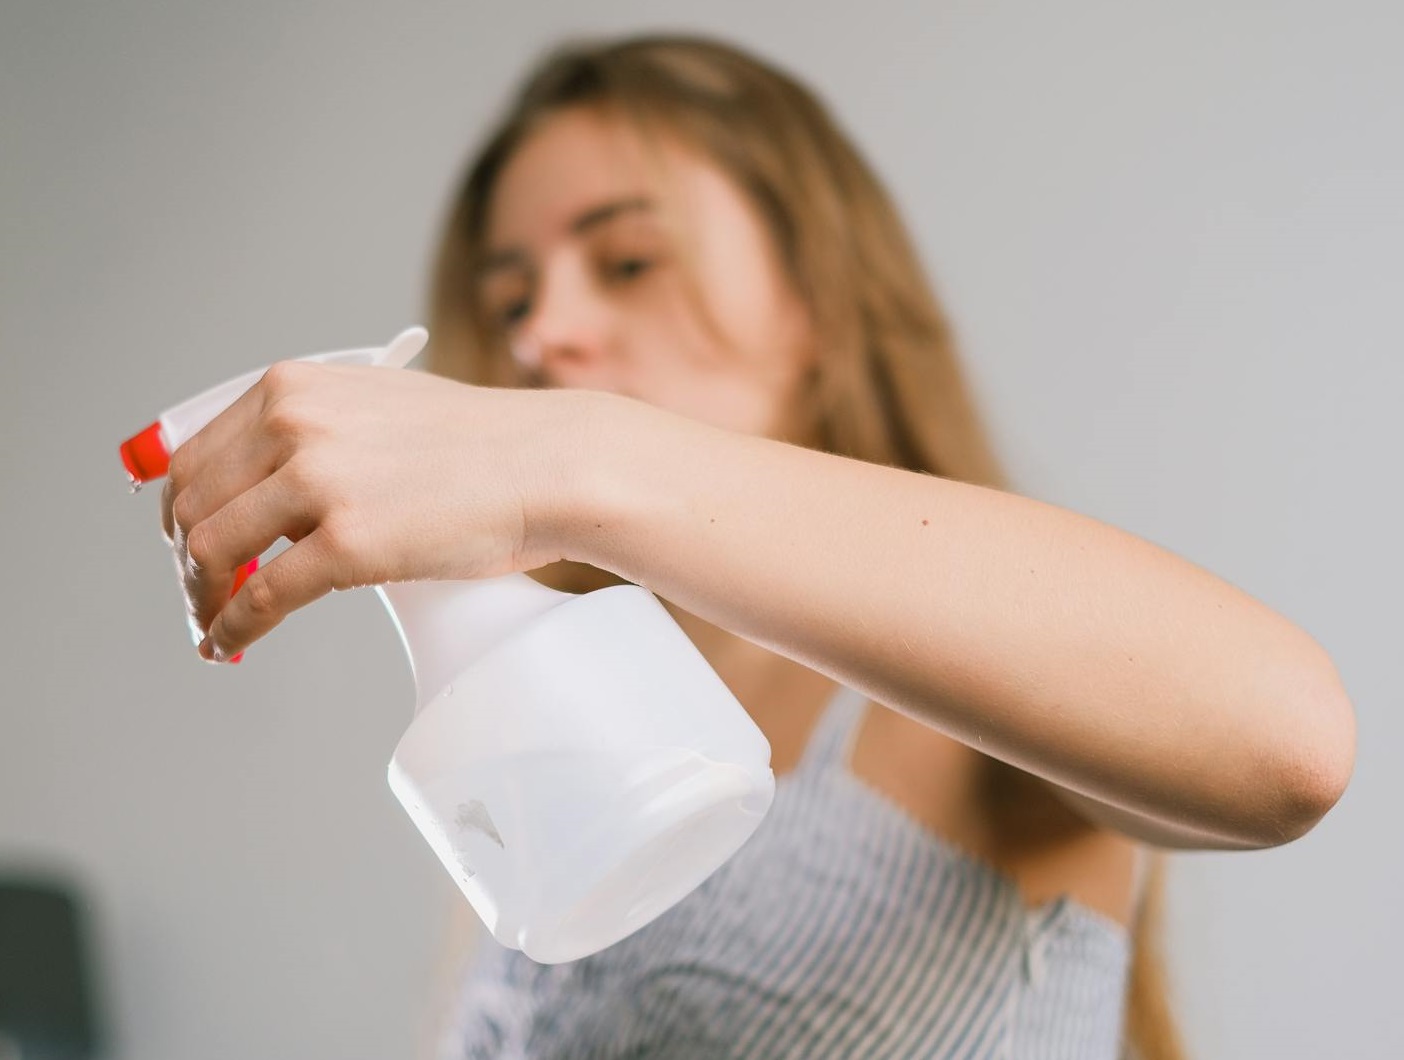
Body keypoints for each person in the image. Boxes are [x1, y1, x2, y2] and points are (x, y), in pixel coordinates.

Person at [160, 34, 1356, 1059]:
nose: (544, 334)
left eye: (627, 261)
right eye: (512, 298)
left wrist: (570, 457)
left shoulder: (954, 698)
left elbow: (1287, 740)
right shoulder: (583, 742)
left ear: (820, 307)